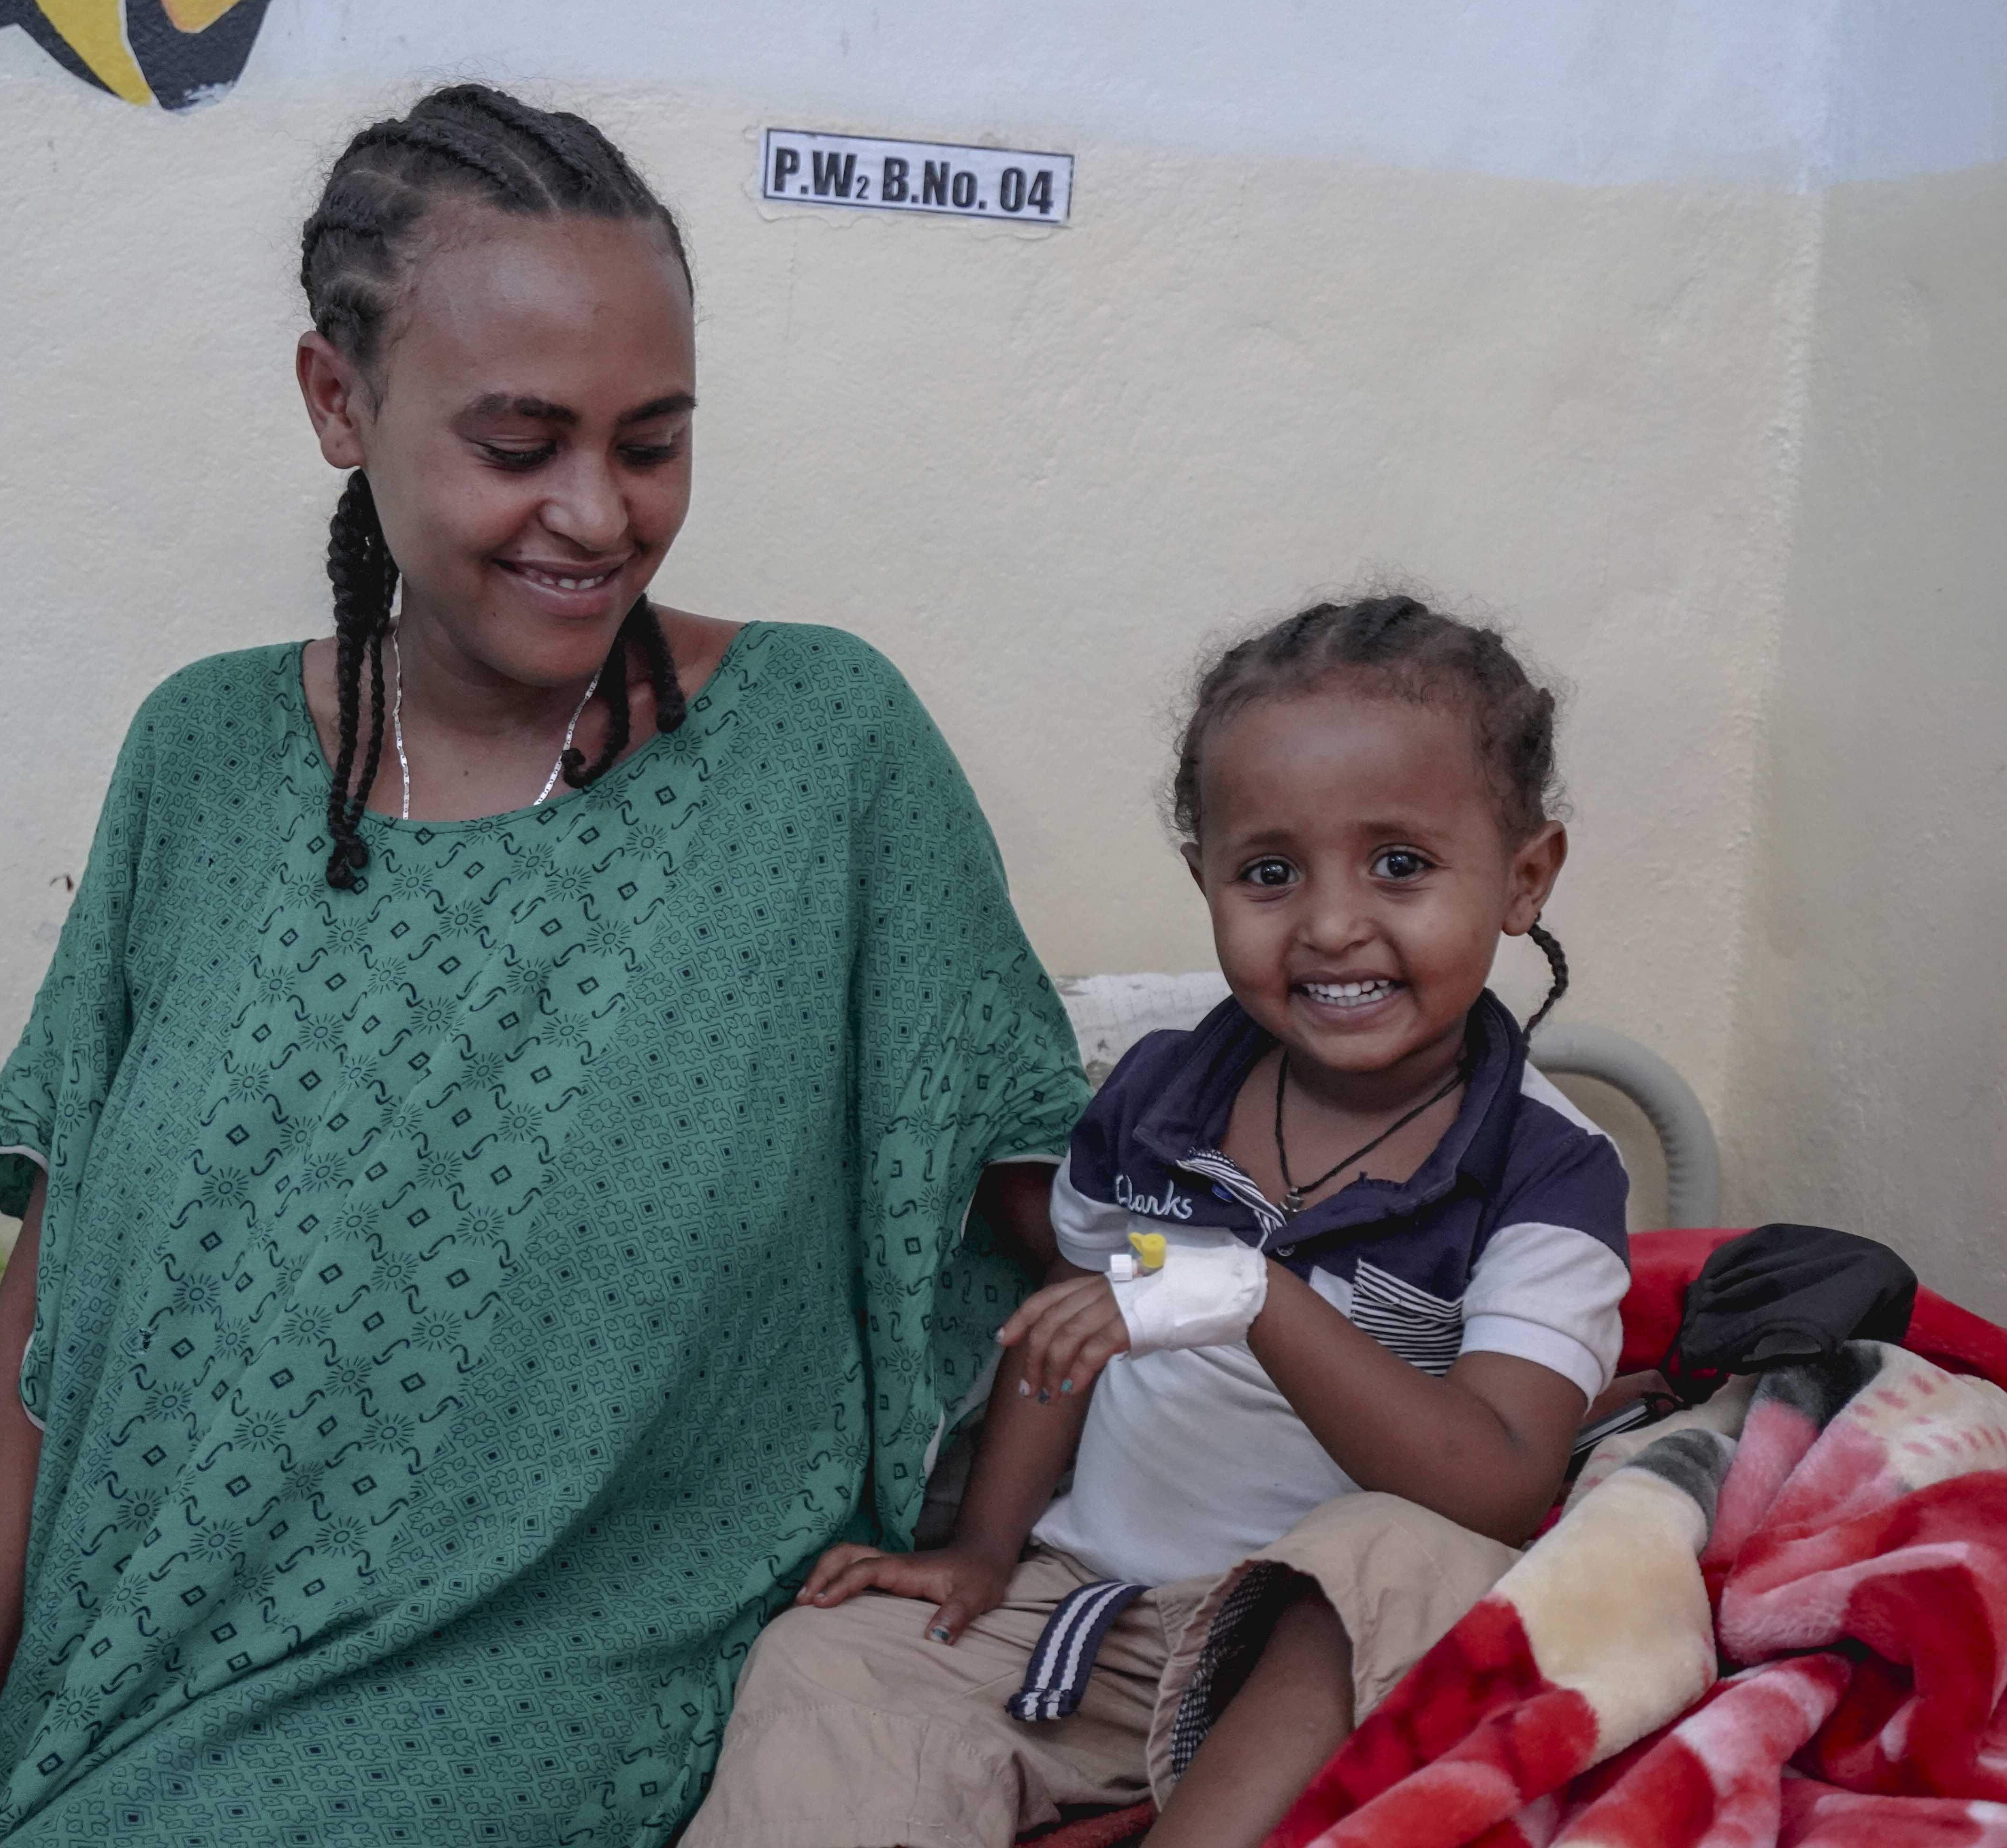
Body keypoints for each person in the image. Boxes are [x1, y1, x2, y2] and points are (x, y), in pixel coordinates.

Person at [0, 84, 1086, 1848]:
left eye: (653, 444)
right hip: (108, 1640)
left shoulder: (825, 751)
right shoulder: (204, 759)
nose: (596, 515)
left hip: (531, 1679)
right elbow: (57, 1307)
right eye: (519, 445)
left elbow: (1067, 1214)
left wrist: (1320, 1306)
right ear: (338, 400)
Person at [688, 589, 1631, 1848]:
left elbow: (1501, 1484)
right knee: (829, 1662)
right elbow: (1065, 1325)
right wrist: (985, 1551)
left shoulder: (1550, 1170)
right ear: (1207, 879)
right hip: (1090, 1608)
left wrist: (1253, 1296)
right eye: (1270, 873)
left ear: (1524, 877)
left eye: (1401, 865)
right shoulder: (1161, 1097)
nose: (1332, 924)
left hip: (1307, 1648)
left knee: (1411, 1558)